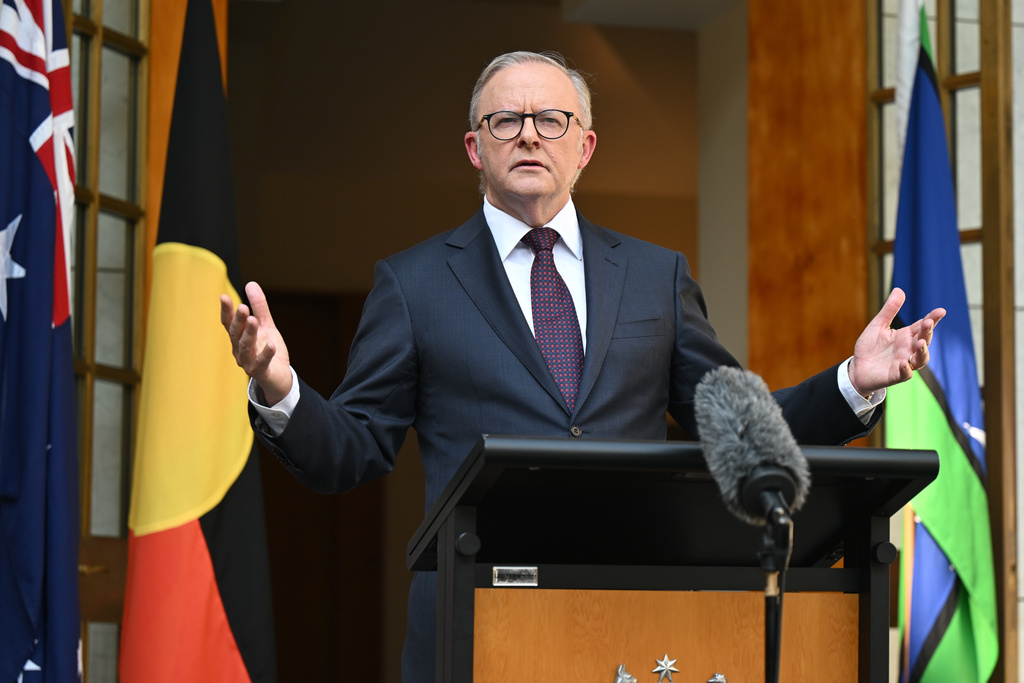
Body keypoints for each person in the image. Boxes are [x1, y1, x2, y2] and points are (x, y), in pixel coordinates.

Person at [220, 51, 943, 683]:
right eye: (505, 121)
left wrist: (853, 379)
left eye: (552, 119)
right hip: (473, 621)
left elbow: (739, 423)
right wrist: (280, 387)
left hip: (629, 617)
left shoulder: (656, 276)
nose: (529, 133)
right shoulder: (413, 285)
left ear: (586, 145)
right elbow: (349, 450)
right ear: (474, 147)